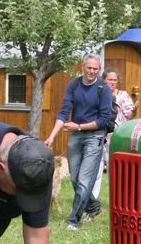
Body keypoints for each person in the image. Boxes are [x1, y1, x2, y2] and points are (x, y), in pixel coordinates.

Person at [44, 54, 113, 231]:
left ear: (99, 70)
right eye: (89, 68)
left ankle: (73, 221)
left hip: (95, 136)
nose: (92, 71)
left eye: (95, 69)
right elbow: (64, 112)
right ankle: (93, 206)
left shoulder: (103, 89)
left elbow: (104, 120)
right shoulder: (74, 85)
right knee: (74, 178)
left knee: (84, 180)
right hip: (76, 135)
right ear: (83, 67)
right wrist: (52, 136)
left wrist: (79, 127)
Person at [92, 69, 136, 201]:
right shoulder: (98, 94)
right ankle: (93, 199)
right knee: (98, 166)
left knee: (118, 168)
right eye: (110, 79)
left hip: (118, 137)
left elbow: (129, 115)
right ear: (104, 80)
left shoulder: (123, 95)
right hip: (100, 134)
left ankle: (119, 199)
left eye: (115, 80)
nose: (112, 82)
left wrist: (135, 110)